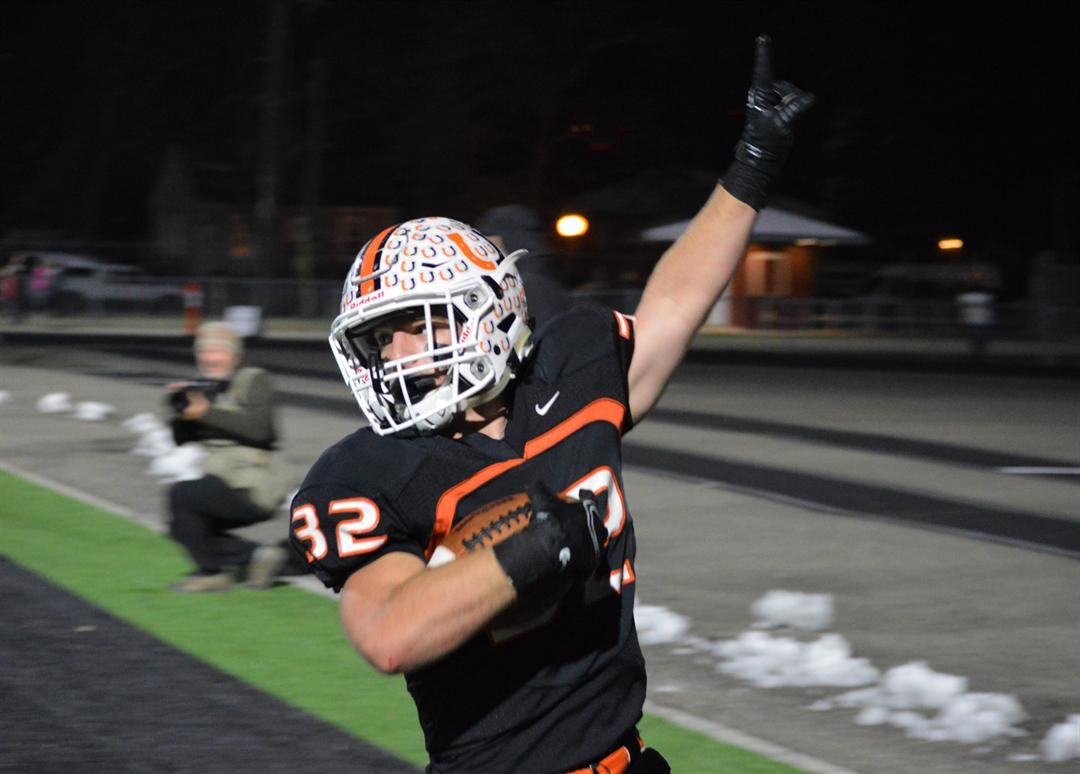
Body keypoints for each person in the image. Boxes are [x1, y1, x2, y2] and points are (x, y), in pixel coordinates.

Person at [289, 35, 813, 773]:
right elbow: (386, 631)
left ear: (487, 312)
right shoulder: (369, 470)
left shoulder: (574, 366)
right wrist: (537, 547)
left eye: (417, 326)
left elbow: (674, 304)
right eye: (381, 340)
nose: (400, 356)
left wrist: (752, 170)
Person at [167, 321, 294, 592]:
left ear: (234, 355)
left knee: (182, 496)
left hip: (255, 483)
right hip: (224, 480)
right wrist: (181, 412)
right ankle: (256, 557)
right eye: (204, 352)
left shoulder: (253, 380)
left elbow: (260, 430)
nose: (210, 358)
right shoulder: (204, 389)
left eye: (218, 351)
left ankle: (211, 573)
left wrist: (206, 413)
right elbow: (182, 441)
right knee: (181, 526)